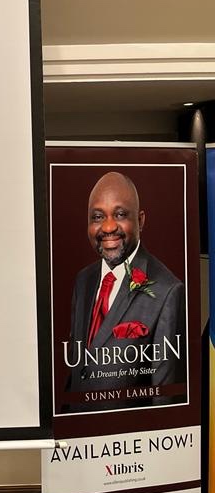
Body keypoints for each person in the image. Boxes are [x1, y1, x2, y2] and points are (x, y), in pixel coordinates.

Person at [62, 171, 186, 412]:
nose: (108, 227)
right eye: (98, 216)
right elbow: (79, 368)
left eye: (120, 214)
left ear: (140, 221)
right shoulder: (84, 280)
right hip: (78, 432)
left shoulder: (168, 291)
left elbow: (165, 401)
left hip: (126, 435)